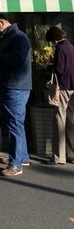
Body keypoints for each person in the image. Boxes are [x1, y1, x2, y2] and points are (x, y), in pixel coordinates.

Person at [0, 13, 32, 177]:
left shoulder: (17, 37)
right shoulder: (11, 36)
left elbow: (18, 59)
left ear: (1, 22)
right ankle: (22, 156)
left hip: (15, 86)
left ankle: (15, 164)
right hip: (13, 85)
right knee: (17, 122)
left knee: (14, 123)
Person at [45, 26, 74, 164]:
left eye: (51, 40)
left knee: (59, 120)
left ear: (55, 38)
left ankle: (58, 157)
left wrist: (51, 64)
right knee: (70, 121)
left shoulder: (60, 49)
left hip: (62, 87)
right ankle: (71, 154)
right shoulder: (71, 47)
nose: (52, 43)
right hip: (72, 87)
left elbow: (59, 69)